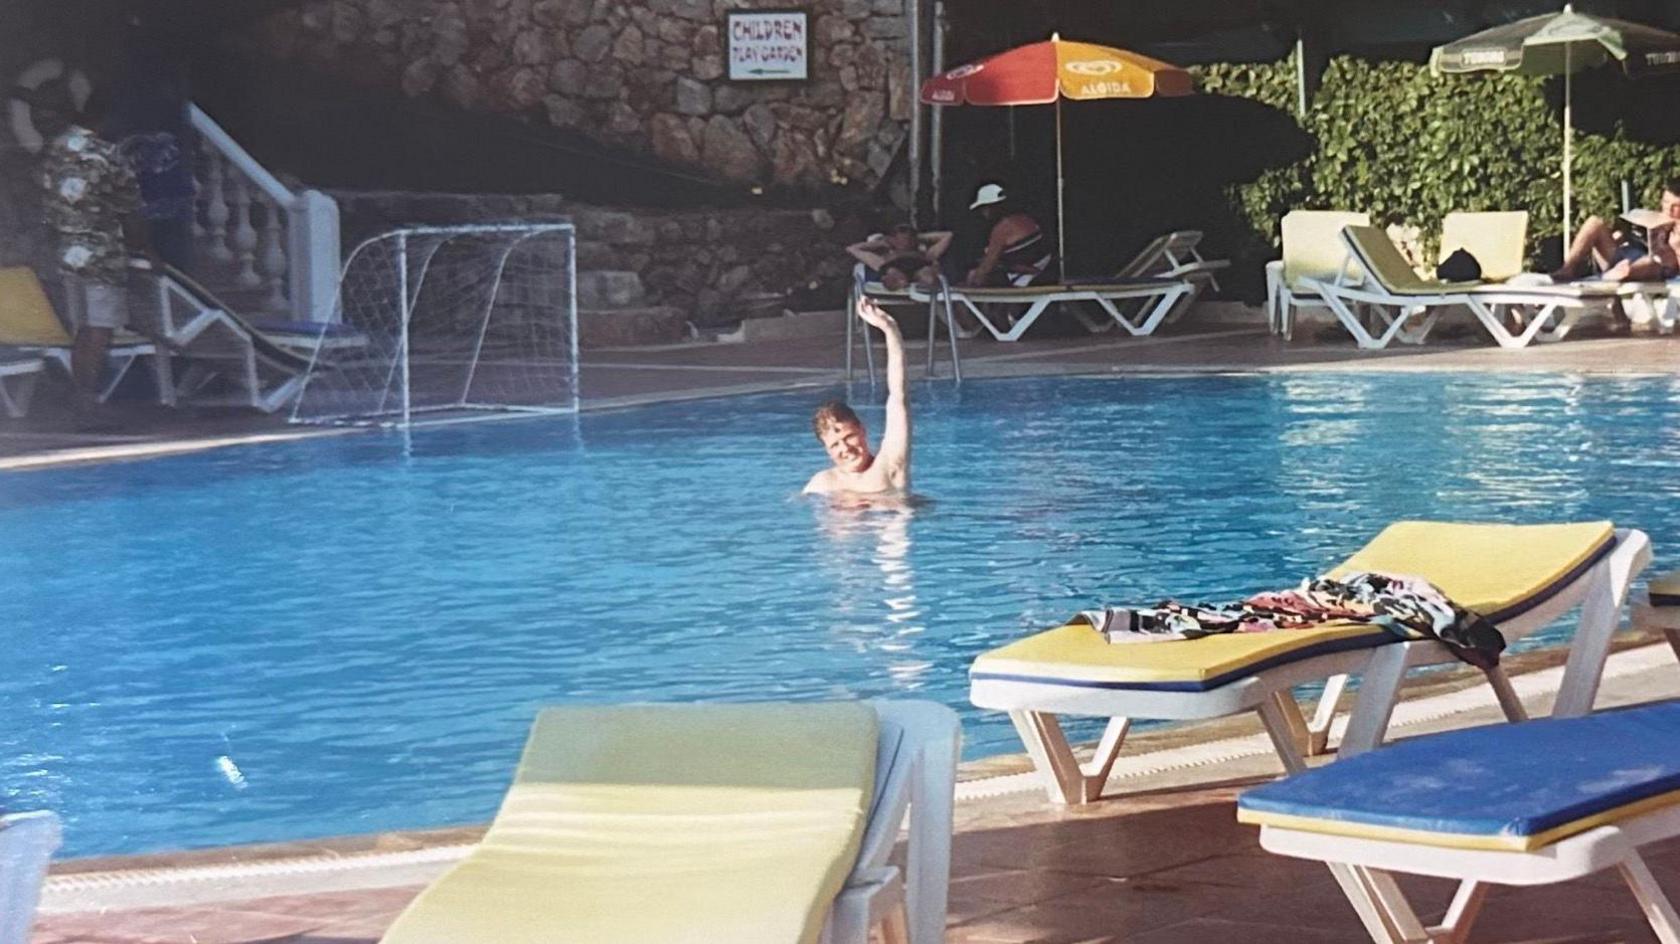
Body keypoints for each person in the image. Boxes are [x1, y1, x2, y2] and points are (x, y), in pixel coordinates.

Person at [26, 80, 146, 414]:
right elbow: (131, 210)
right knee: (98, 330)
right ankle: (85, 399)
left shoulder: (57, 147)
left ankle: (82, 395)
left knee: (83, 329)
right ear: (109, 116)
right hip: (101, 256)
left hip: (65, 254)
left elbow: (45, 195)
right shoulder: (108, 154)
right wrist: (148, 251)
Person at [804, 297, 910, 497]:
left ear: (862, 430)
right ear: (827, 450)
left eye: (849, 437)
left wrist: (890, 329)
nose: (845, 449)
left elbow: (899, 397)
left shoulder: (889, 467)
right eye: (834, 445)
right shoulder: (823, 483)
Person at [1551, 179, 1680, 283]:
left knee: (1652, 262)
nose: (1668, 210)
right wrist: (1623, 235)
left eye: (1675, 206)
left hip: (1655, 268)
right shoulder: (1654, 218)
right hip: (1628, 255)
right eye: (1666, 202)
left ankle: (1623, 272)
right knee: (1594, 222)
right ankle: (1568, 269)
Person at [964, 183, 1054, 287]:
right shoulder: (1024, 219)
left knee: (974, 274)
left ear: (993, 207)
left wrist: (970, 284)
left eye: (983, 208)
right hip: (1046, 270)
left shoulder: (1002, 229)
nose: (982, 213)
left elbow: (986, 267)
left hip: (1030, 277)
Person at [846, 224, 953, 291]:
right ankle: (897, 281)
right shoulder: (883, 258)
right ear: (892, 240)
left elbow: (948, 235)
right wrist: (880, 243)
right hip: (894, 270)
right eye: (899, 238)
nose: (904, 242)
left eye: (908, 238)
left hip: (920, 269)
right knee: (892, 272)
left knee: (927, 275)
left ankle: (920, 282)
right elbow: (851, 249)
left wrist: (921, 237)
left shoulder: (926, 254)